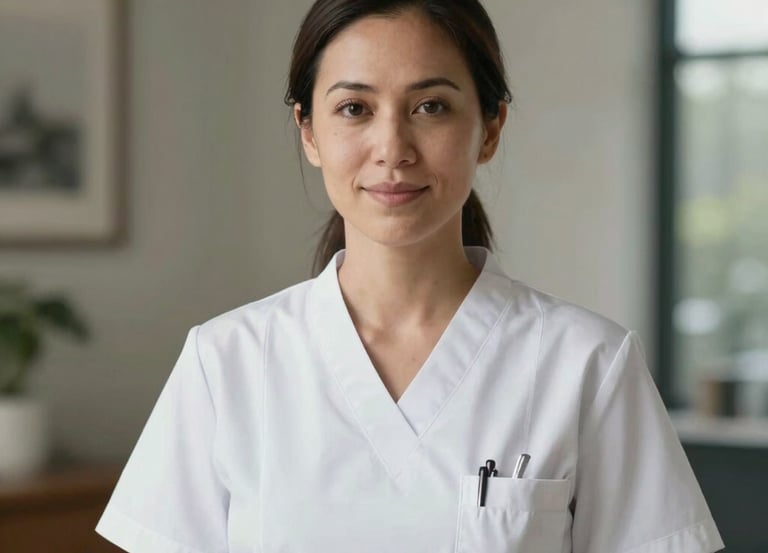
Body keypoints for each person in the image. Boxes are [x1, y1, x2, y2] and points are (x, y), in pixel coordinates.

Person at [96, 1, 725, 552]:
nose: (392, 147)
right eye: (353, 108)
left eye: (431, 106)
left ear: (490, 128)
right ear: (309, 131)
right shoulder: (226, 361)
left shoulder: (587, 362)